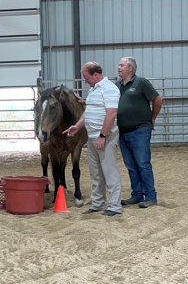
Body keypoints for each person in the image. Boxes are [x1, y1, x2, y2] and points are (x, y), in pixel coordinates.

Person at [63, 62, 122, 216]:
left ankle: (114, 206)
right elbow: (88, 112)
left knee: (109, 171)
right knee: (95, 172)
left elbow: (111, 113)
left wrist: (103, 136)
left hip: (105, 136)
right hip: (92, 136)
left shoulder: (109, 89)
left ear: (96, 75)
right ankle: (98, 203)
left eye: (86, 77)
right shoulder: (94, 89)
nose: (85, 81)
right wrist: (77, 126)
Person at [116, 57, 163, 208]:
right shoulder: (117, 86)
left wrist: (152, 118)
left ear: (131, 68)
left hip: (140, 130)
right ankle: (136, 194)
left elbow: (157, 99)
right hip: (123, 132)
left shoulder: (141, 82)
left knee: (143, 164)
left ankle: (150, 196)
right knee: (131, 165)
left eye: (122, 65)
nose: (118, 67)